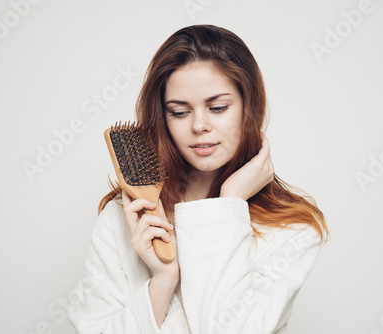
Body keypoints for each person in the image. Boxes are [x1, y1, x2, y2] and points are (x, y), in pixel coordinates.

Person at [68, 24, 328, 334]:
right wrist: (163, 281)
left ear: (250, 108)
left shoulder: (292, 229)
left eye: (218, 108)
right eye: (179, 112)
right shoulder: (124, 217)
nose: (199, 125)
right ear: (162, 117)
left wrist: (229, 202)